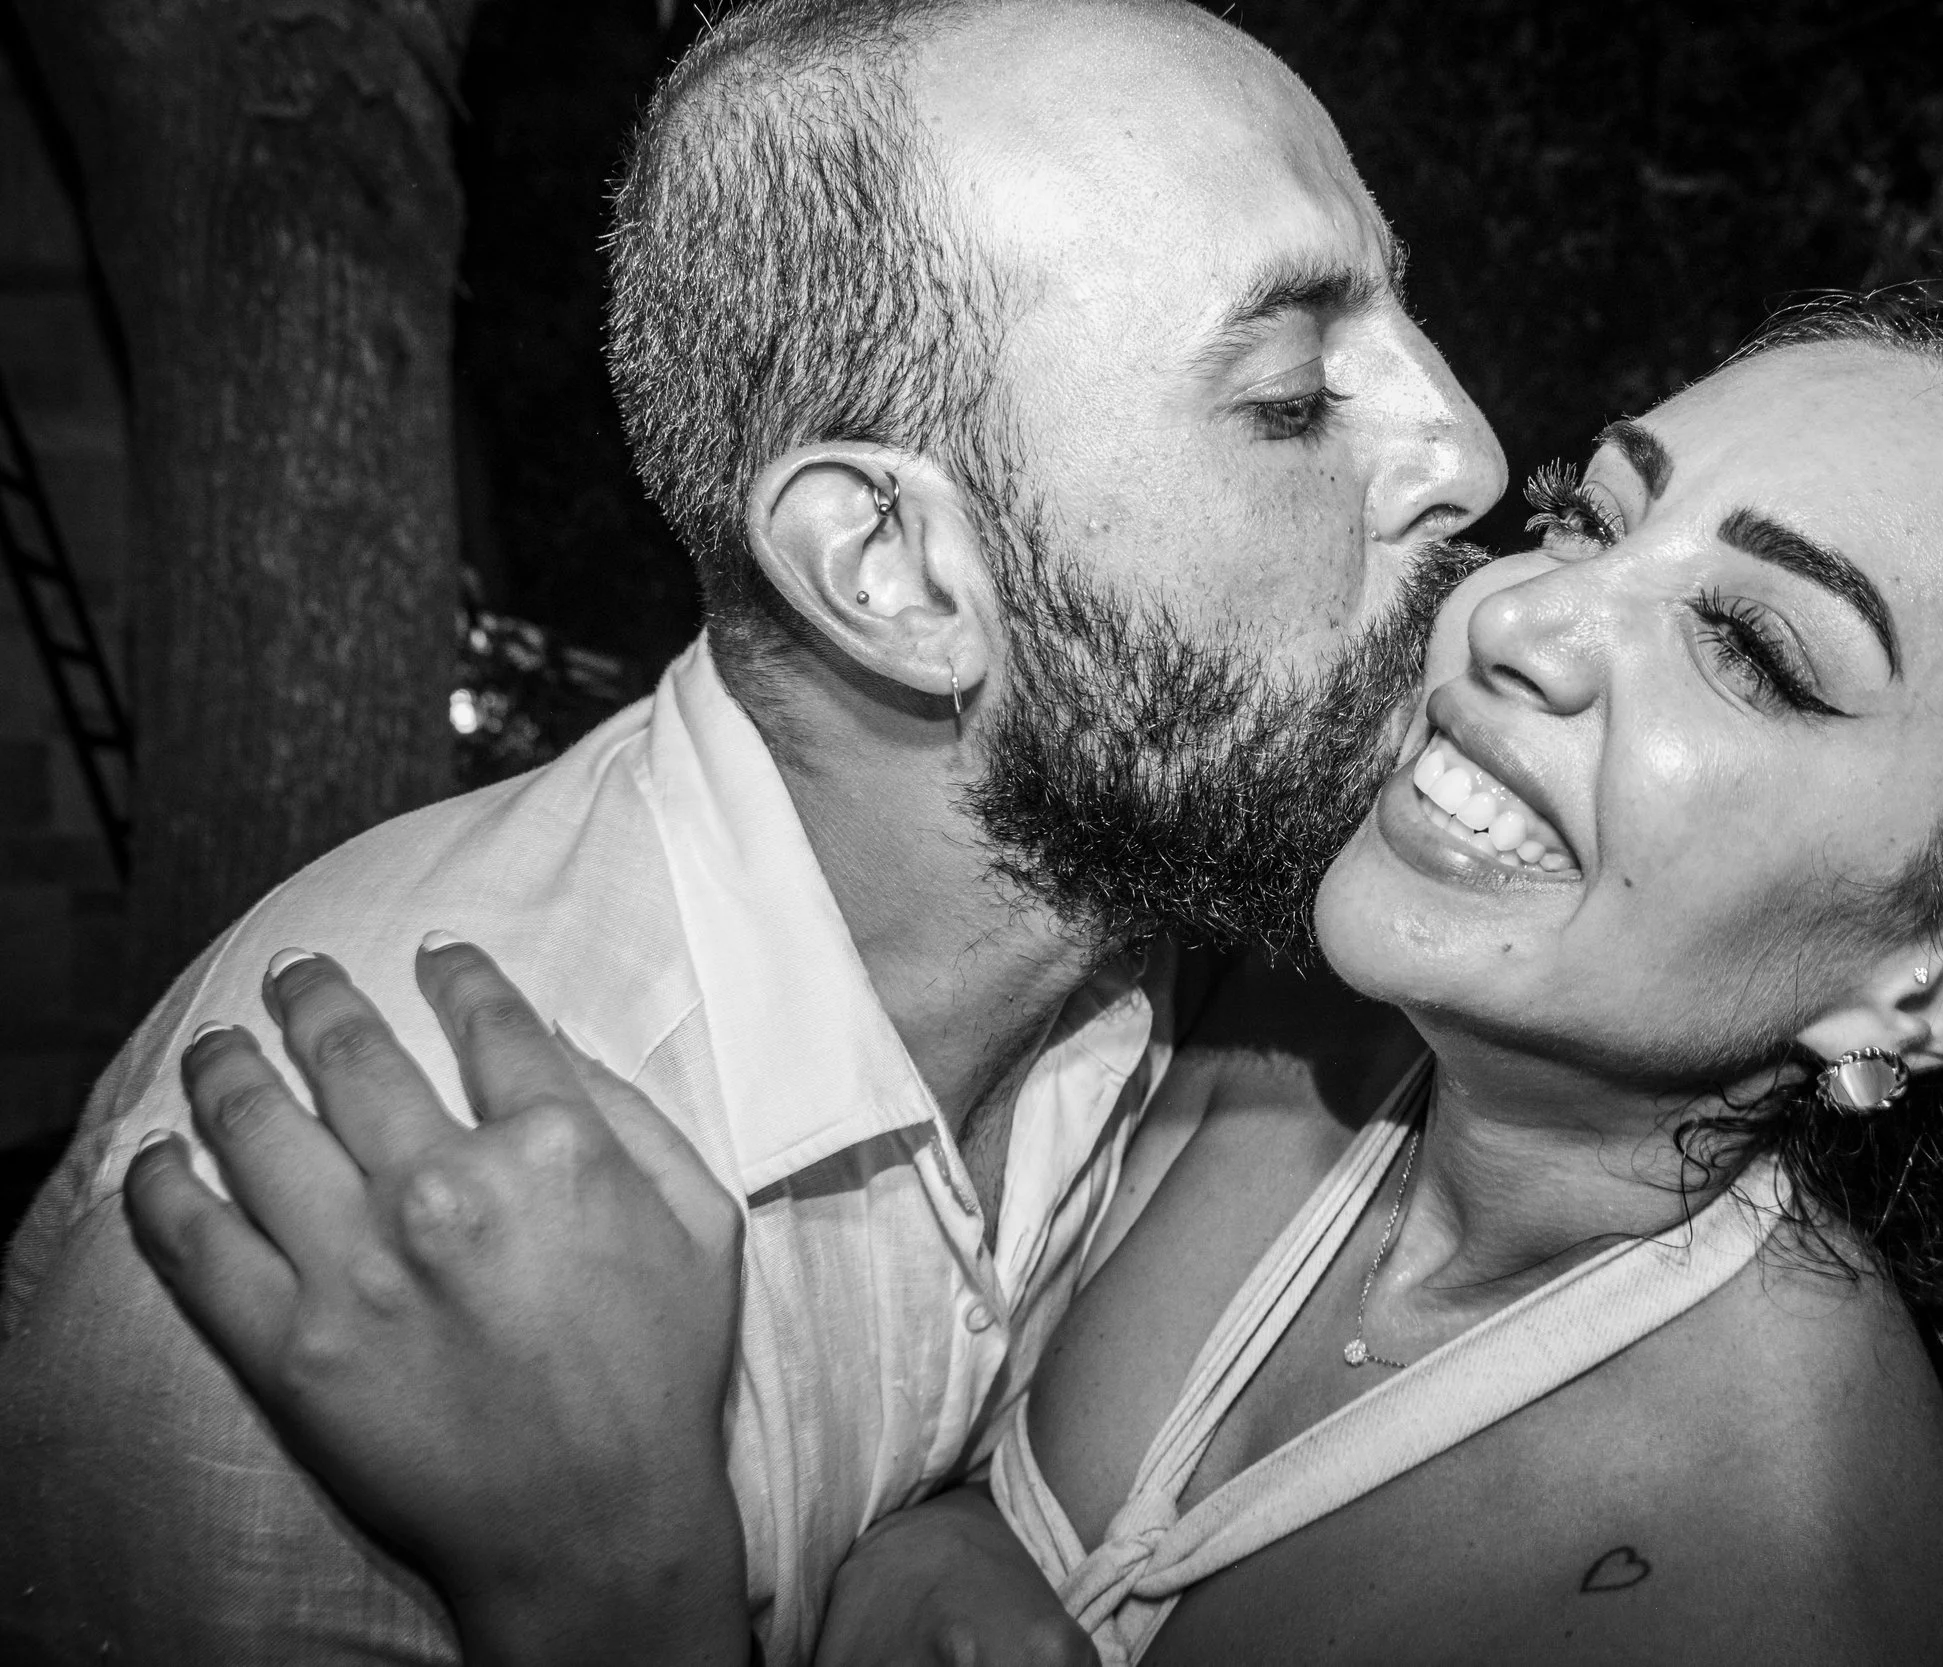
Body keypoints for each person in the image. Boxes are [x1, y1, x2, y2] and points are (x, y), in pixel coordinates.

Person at [127, 290, 1943, 1665]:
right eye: (1598, 513)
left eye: (1753, 647)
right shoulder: (1263, 1019)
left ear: (1942, 986)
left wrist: (609, 1574)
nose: (1515, 608)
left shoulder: (1757, 1588)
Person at [0, 1, 1503, 1661]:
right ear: (891, 571)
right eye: (1294, 395)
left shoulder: (1159, 912)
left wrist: (939, 1535)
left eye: (1402, 322)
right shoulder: (330, 1253)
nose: (1472, 455)